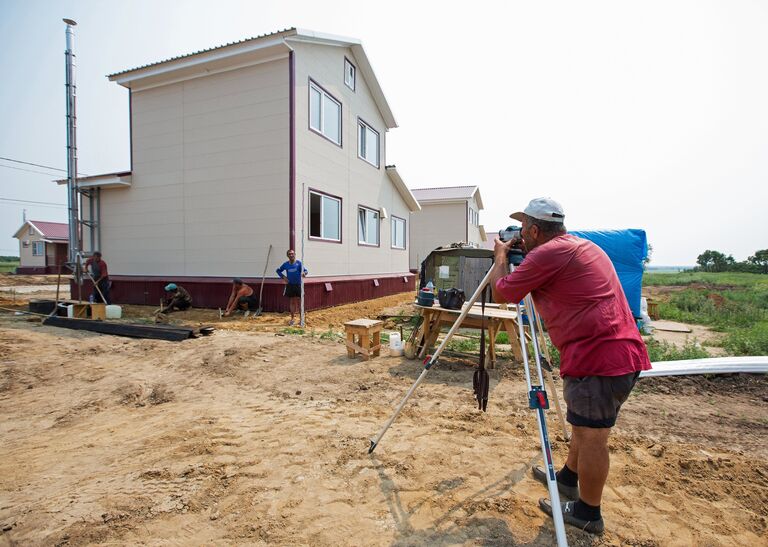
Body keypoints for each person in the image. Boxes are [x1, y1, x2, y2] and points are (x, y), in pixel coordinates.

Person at [489, 197, 652, 535]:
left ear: (535, 230)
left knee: (593, 437)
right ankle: (568, 478)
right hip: (613, 354)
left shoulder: (549, 254)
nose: (520, 236)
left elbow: (503, 293)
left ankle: (588, 512)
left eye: (522, 230)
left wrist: (501, 256)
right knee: (583, 426)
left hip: (599, 359)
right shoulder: (581, 246)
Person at [276, 249, 308, 326]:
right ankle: (292, 319)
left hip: (298, 285)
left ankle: (301, 320)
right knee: (292, 302)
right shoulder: (286, 264)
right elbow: (278, 270)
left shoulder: (299, 263)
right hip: (290, 285)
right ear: (287, 255)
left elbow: (306, 271)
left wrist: (304, 273)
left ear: (295, 254)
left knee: (300, 302)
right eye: (289, 254)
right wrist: (283, 277)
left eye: (292, 254)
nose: (291, 255)